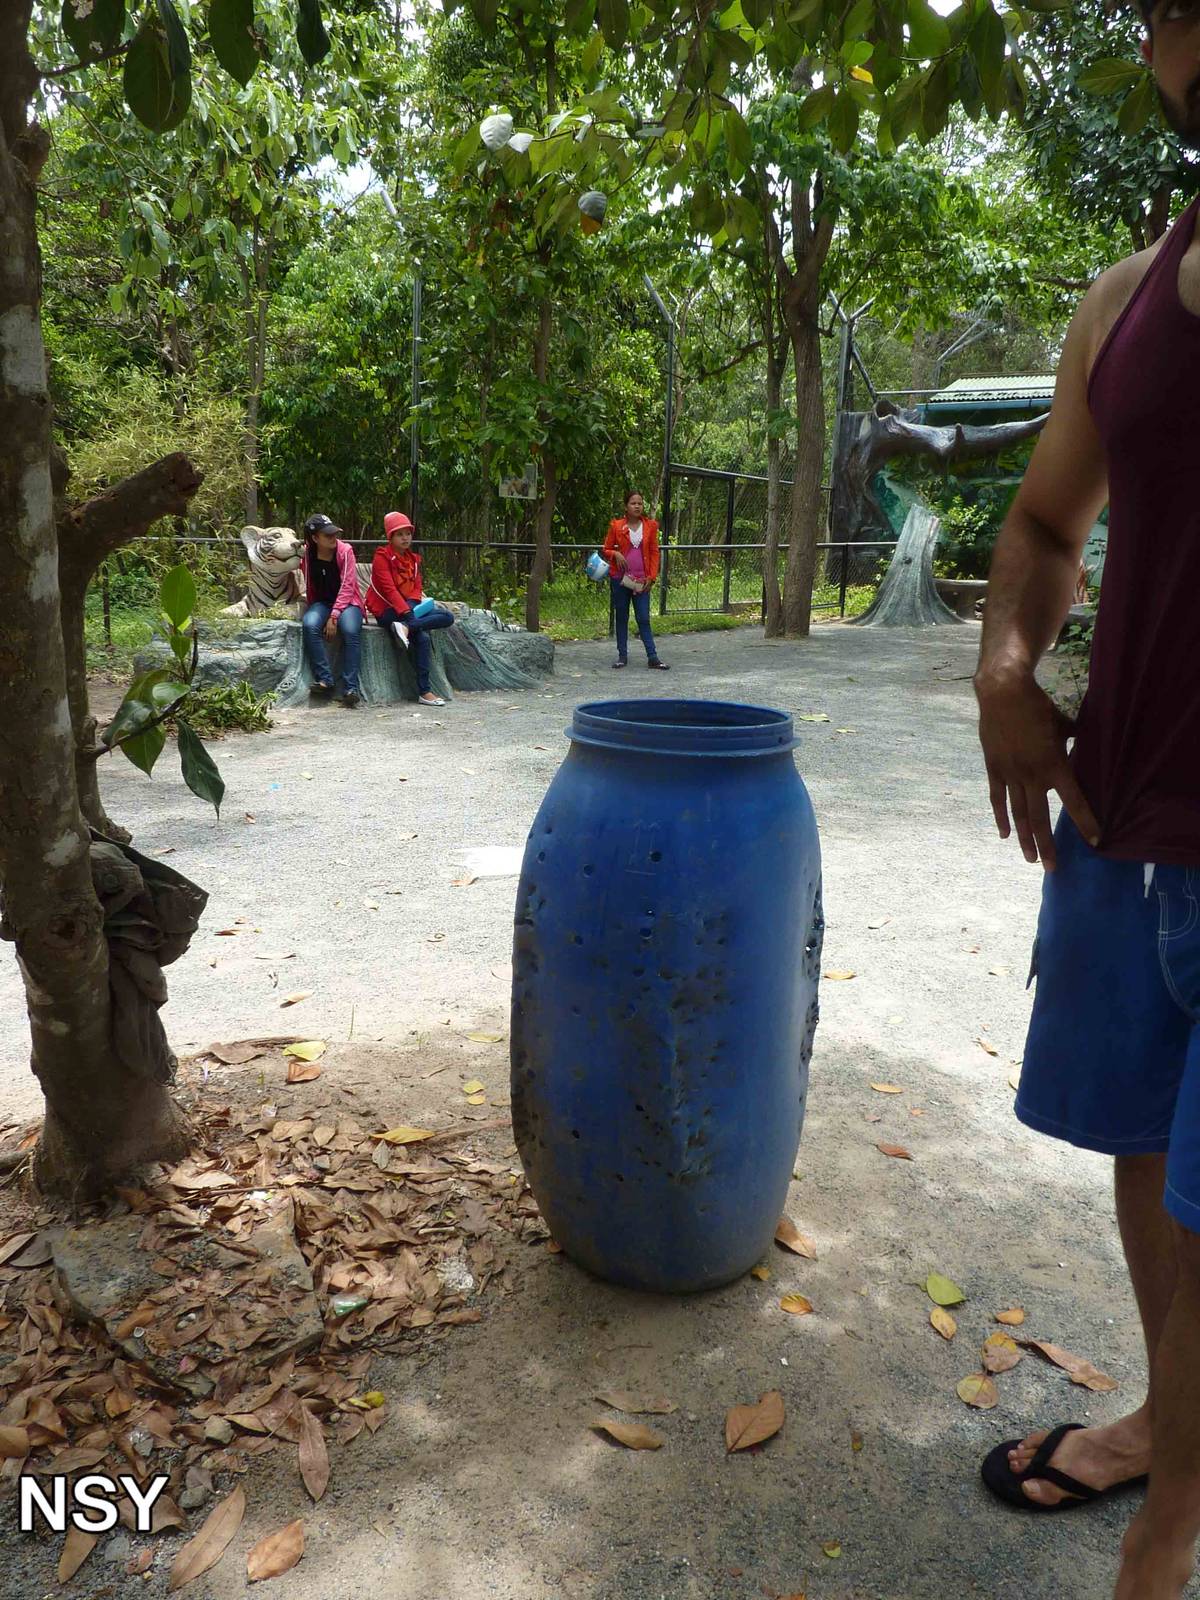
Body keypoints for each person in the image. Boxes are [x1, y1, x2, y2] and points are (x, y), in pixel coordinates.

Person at [973, 4, 1200, 1595]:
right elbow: (1048, 529)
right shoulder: (1121, 305)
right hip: (1122, 832)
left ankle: (1171, 1523)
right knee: (1147, 1144)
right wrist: (1003, 672)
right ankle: (1161, 1428)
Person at [365, 510, 455, 707]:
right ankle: (425, 691)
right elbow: (389, 590)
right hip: (387, 610)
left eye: (408, 533)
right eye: (399, 534)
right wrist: (407, 613)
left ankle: (405, 628)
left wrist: (410, 612)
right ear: (391, 537)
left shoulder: (413, 559)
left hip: (408, 609)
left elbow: (416, 588)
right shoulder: (382, 557)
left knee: (447, 617)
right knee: (422, 637)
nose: (405, 538)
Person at [300, 513, 364, 708]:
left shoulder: (345, 551)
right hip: (322, 602)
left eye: (334, 534)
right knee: (309, 624)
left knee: (351, 630)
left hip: (348, 602)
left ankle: (350, 688)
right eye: (327, 535)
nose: (333, 538)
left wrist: (334, 615)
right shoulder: (307, 554)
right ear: (314, 538)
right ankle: (325, 679)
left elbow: (348, 585)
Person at [603, 491, 669, 671]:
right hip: (620, 579)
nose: (637, 506)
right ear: (626, 506)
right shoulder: (616, 526)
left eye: (640, 503)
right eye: (633, 503)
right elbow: (606, 549)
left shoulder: (650, 526)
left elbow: (654, 552)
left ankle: (653, 657)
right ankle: (622, 656)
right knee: (622, 616)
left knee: (643, 617)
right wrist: (615, 553)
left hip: (642, 580)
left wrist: (652, 576)